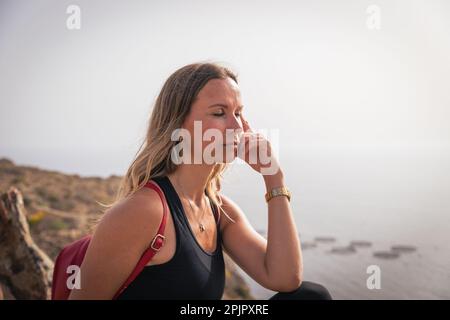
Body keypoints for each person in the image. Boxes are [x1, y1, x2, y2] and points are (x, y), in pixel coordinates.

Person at [68, 62, 332, 300]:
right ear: (179, 125)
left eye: (238, 113)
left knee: (310, 297)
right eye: (219, 113)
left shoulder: (219, 210)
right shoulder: (144, 211)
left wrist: (273, 177)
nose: (237, 127)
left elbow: (284, 278)